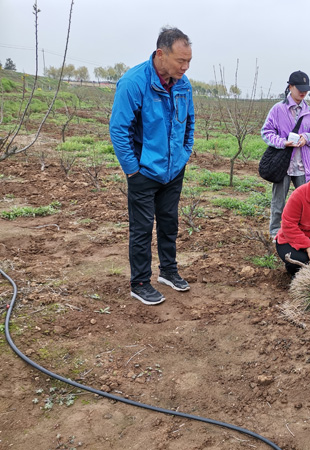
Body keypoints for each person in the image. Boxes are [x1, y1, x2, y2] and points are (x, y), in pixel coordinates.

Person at [109, 27, 194, 306]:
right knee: (142, 228)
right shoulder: (133, 82)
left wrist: (184, 154)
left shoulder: (183, 84)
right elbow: (119, 129)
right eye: (181, 61)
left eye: (189, 61)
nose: (185, 67)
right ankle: (140, 283)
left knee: (169, 223)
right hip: (143, 171)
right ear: (161, 54)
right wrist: (133, 169)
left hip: (173, 170)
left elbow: (189, 123)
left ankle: (168, 271)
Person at [261, 70, 310, 239]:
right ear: (290, 87)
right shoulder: (278, 109)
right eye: (300, 88)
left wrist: (306, 138)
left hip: (303, 165)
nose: (303, 92)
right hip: (283, 164)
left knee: (306, 201)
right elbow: (266, 132)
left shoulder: (309, 112)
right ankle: (275, 232)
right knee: (278, 201)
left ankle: (302, 232)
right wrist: (282, 142)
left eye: (306, 89)